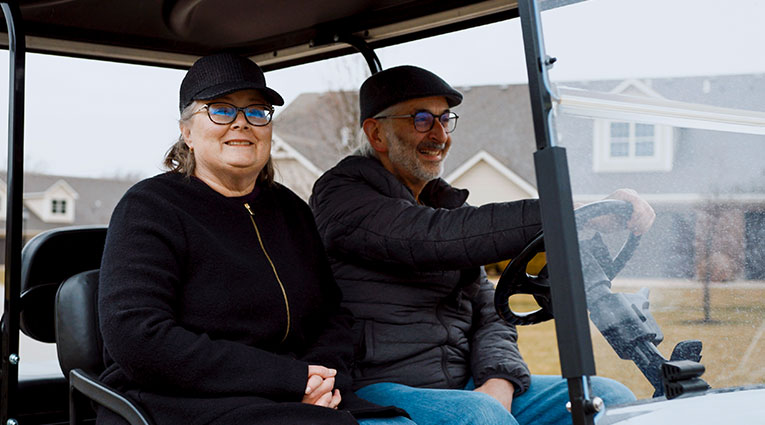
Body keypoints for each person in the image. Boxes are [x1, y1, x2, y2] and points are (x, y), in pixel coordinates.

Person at [309, 66, 655, 425]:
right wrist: (561, 212)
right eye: (423, 119)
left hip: (463, 387)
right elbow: (432, 239)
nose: (440, 134)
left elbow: (490, 312)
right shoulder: (341, 196)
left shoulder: (444, 205)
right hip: (375, 387)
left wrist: (498, 381)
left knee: (609, 399)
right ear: (376, 132)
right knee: (480, 414)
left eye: (445, 119)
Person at [97, 53, 410, 425]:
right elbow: (138, 339)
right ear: (187, 132)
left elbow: (333, 316)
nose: (242, 124)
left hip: (296, 396)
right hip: (178, 401)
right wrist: (290, 380)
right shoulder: (150, 208)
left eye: (257, 112)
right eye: (221, 110)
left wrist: (323, 380)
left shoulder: (291, 210)